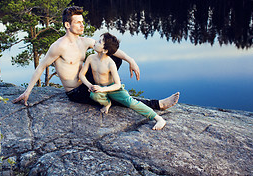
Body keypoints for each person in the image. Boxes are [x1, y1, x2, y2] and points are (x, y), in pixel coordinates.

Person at [13, 6, 179, 111]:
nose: (82, 25)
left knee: (114, 59)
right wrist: (27, 92)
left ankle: (113, 89)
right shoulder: (59, 46)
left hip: (90, 82)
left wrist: (131, 60)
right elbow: (41, 67)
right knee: (115, 97)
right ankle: (158, 105)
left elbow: (109, 49)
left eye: (82, 22)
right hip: (76, 92)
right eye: (77, 22)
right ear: (67, 25)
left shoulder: (84, 42)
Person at [79, 32, 169, 130]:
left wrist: (103, 89)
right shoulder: (91, 58)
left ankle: (158, 118)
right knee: (93, 95)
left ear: (105, 50)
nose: (95, 42)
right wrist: (89, 85)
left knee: (132, 102)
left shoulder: (110, 64)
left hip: (113, 89)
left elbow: (117, 85)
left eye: (99, 41)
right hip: (100, 89)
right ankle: (107, 103)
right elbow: (81, 75)